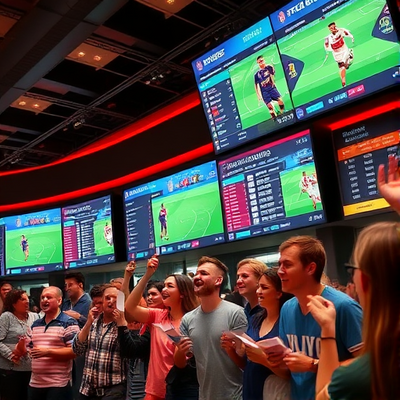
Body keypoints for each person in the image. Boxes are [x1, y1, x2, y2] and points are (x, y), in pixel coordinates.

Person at [305, 156, 400, 400]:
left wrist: (327, 331)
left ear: (364, 281)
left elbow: (322, 395)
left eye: (351, 269)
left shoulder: (366, 375)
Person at [272, 236, 363, 400]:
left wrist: (313, 365)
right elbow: (289, 365)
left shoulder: (343, 306)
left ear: (310, 268)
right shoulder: (287, 308)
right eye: (280, 265)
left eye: (287, 265)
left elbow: (368, 364)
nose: (280, 271)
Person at [125, 257, 199, 400]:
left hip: (180, 390)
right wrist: (147, 275)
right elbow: (130, 307)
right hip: (154, 390)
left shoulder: (192, 320)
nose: (164, 289)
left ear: (182, 293)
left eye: (170, 286)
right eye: (164, 285)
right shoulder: (158, 315)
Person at [175, 256, 248, 400]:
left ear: (218, 281)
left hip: (235, 396)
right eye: (196, 273)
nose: (197, 277)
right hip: (204, 395)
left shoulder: (236, 313)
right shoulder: (188, 319)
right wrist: (181, 351)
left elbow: (245, 362)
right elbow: (180, 363)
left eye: (204, 273)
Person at [241, 269, 293, 400]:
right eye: (258, 287)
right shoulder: (256, 319)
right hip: (251, 387)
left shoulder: (286, 322)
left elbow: (288, 373)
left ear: (279, 293)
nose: (258, 291)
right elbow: (246, 362)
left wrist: (263, 359)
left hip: (275, 391)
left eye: (264, 288)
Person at [73, 284, 127, 399]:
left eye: (115, 299)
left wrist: (122, 323)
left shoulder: (123, 324)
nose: (111, 301)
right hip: (87, 390)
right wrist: (88, 323)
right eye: (107, 298)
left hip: (113, 390)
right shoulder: (93, 322)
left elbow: (129, 351)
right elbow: (77, 349)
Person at [29, 286, 79, 400]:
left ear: (59, 301)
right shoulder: (35, 324)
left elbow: (74, 351)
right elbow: (30, 348)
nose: (44, 300)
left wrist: (48, 352)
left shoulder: (69, 322)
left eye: (49, 297)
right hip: (35, 383)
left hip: (58, 384)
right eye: (42, 297)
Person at [0, 289, 39, 400]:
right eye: (22, 299)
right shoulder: (7, 317)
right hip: (11, 370)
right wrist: (12, 356)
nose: (27, 301)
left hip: (32, 369)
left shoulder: (35, 316)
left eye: (27, 298)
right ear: (13, 303)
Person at [62, 272, 92, 399]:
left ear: (80, 285)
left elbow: (96, 325)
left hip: (84, 351)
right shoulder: (65, 304)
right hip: (67, 348)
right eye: (66, 285)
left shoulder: (89, 302)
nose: (67, 288)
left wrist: (79, 317)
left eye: (70, 285)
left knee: (80, 386)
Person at [235, 258, 267, 329]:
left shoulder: (270, 311)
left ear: (260, 279)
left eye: (245, 276)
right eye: (238, 277)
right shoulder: (244, 311)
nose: (238, 281)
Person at [324, 22, 354, 87]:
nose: (333, 29)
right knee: (342, 68)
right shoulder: (328, 38)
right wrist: (329, 51)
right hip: (337, 55)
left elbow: (347, 33)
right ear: (330, 29)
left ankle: (348, 61)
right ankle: (343, 83)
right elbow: (326, 47)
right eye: (331, 28)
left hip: (345, 51)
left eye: (334, 27)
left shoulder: (340, 31)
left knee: (347, 63)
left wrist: (340, 30)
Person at [254, 55, 285, 120]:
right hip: (264, 92)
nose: (261, 63)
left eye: (262, 61)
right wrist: (258, 96)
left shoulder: (269, 67)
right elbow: (256, 85)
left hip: (272, 88)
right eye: (259, 62)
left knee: (280, 101)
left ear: (264, 60)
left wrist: (271, 80)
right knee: (270, 107)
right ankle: (274, 119)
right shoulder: (257, 75)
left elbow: (273, 75)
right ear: (258, 63)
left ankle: (282, 113)